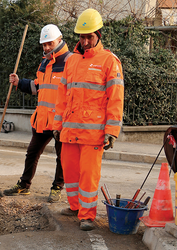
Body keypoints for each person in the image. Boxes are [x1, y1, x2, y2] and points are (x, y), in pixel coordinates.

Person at [52, 9, 124, 231]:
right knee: (70, 172)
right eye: (81, 37)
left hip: (93, 133)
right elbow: (62, 96)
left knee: (88, 176)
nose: (84, 41)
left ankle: (87, 215)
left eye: (89, 37)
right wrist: (57, 125)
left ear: (98, 34)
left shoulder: (109, 61)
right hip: (70, 132)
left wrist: (111, 131)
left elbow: (116, 98)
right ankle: (75, 207)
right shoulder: (71, 61)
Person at [3, 24, 71, 203]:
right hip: (43, 118)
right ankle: (24, 185)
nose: (47, 48)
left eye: (50, 43)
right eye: (44, 45)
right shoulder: (45, 62)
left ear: (59, 39)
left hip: (61, 120)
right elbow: (38, 87)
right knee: (32, 153)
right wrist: (19, 83)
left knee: (62, 157)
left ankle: (57, 187)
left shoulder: (70, 61)